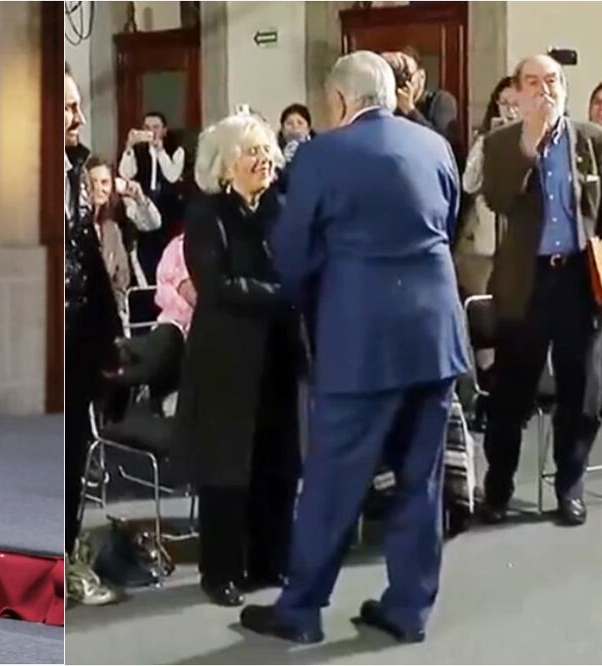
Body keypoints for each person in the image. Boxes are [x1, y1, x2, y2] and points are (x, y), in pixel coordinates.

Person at [240, 51, 468, 644]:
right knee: (421, 479)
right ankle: (409, 608)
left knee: (333, 479)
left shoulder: (321, 154)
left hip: (362, 340)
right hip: (436, 337)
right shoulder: (434, 146)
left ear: (340, 102)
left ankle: (302, 609)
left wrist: (329, 278)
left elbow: (292, 253)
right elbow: (448, 219)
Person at [174, 113, 302, 608]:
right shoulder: (207, 215)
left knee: (277, 462)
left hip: (277, 351)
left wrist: (288, 292)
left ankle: (271, 562)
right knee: (227, 467)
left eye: (267, 150)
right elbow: (218, 286)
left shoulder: (281, 208)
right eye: (252, 152)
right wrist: (283, 293)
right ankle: (221, 571)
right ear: (226, 166)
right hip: (227, 357)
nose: (264, 159)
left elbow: (299, 266)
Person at [478, 54, 602, 527]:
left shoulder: (591, 142)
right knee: (512, 393)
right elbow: (495, 197)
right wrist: (529, 144)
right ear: (518, 90)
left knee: (582, 391)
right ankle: (498, 488)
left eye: (552, 80)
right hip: (524, 282)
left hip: (575, 277)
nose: (544, 90)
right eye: (533, 82)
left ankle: (569, 487)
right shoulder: (501, 144)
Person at [64, 67, 121, 606]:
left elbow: (90, 263)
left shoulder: (76, 172)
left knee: (75, 455)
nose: (78, 117)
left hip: (80, 335)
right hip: (53, 337)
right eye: (66, 108)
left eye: (78, 106)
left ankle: (67, 555)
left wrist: (111, 334)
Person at [456, 76, 519, 298]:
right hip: (488, 242)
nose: (510, 111)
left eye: (516, 104)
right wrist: (486, 144)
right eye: (504, 104)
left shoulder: (536, 141)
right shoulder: (486, 141)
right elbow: (469, 183)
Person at [85, 156, 163, 316]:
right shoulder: (77, 223)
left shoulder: (113, 224)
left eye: (104, 182)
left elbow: (153, 223)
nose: (98, 188)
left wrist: (138, 196)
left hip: (116, 305)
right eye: (93, 182)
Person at [119, 111, 186, 282]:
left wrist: (160, 150)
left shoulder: (176, 150)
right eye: (147, 128)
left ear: (164, 130)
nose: (152, 132)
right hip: (145, 211)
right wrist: (128, 147)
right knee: (147, 257)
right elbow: (125, 173)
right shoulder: (138, 151)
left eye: (156, 127)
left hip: (168, 210)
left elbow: (172, 175)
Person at [402, 46, 462, 165]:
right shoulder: (388, 105)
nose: (403, 81)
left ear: (421, 76)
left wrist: (410, 111)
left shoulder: (442, 101)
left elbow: (443, 141)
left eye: (407, 75)